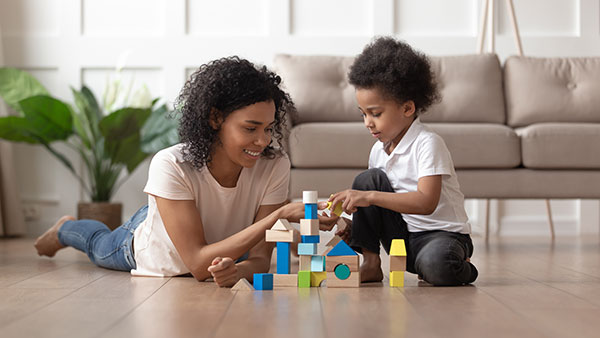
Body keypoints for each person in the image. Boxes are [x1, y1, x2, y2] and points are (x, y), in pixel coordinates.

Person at [34, 56, 331, 287]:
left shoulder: (275, 165)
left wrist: (236, 272)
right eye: (250, 128)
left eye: (268, 129)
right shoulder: (171, 164)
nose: (263, 140)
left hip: (217, 240)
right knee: (98, 244)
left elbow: (258, 261)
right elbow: (199, 265)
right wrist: (278, 216)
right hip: (153, 244)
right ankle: (64, 229)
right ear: (215, 118)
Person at [326, 37, 478, 286]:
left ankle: (463, 268)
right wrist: (353, 224)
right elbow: (373, 206)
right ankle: (372, 264)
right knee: (368, 180)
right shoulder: (378, 150)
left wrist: (370, 197)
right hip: (401, 238)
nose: (368, 122)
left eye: (376, 114)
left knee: (438, 267)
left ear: (407, 108)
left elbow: (426, 202)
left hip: (441, 236)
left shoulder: (428, 143)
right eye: (363, 114)